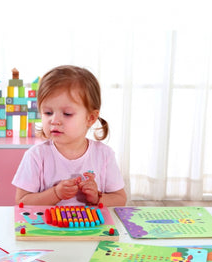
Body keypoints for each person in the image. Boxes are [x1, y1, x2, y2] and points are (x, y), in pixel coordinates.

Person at [12, 65, 127, 207]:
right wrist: (55, 193)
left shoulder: (104, 155)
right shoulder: (36, 156)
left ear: (90, 118)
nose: (54, 120)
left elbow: (120, 199)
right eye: (48, 112)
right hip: (48, 227)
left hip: (92, 227)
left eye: (67, 114)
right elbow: (22, 202)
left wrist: (97, 198)